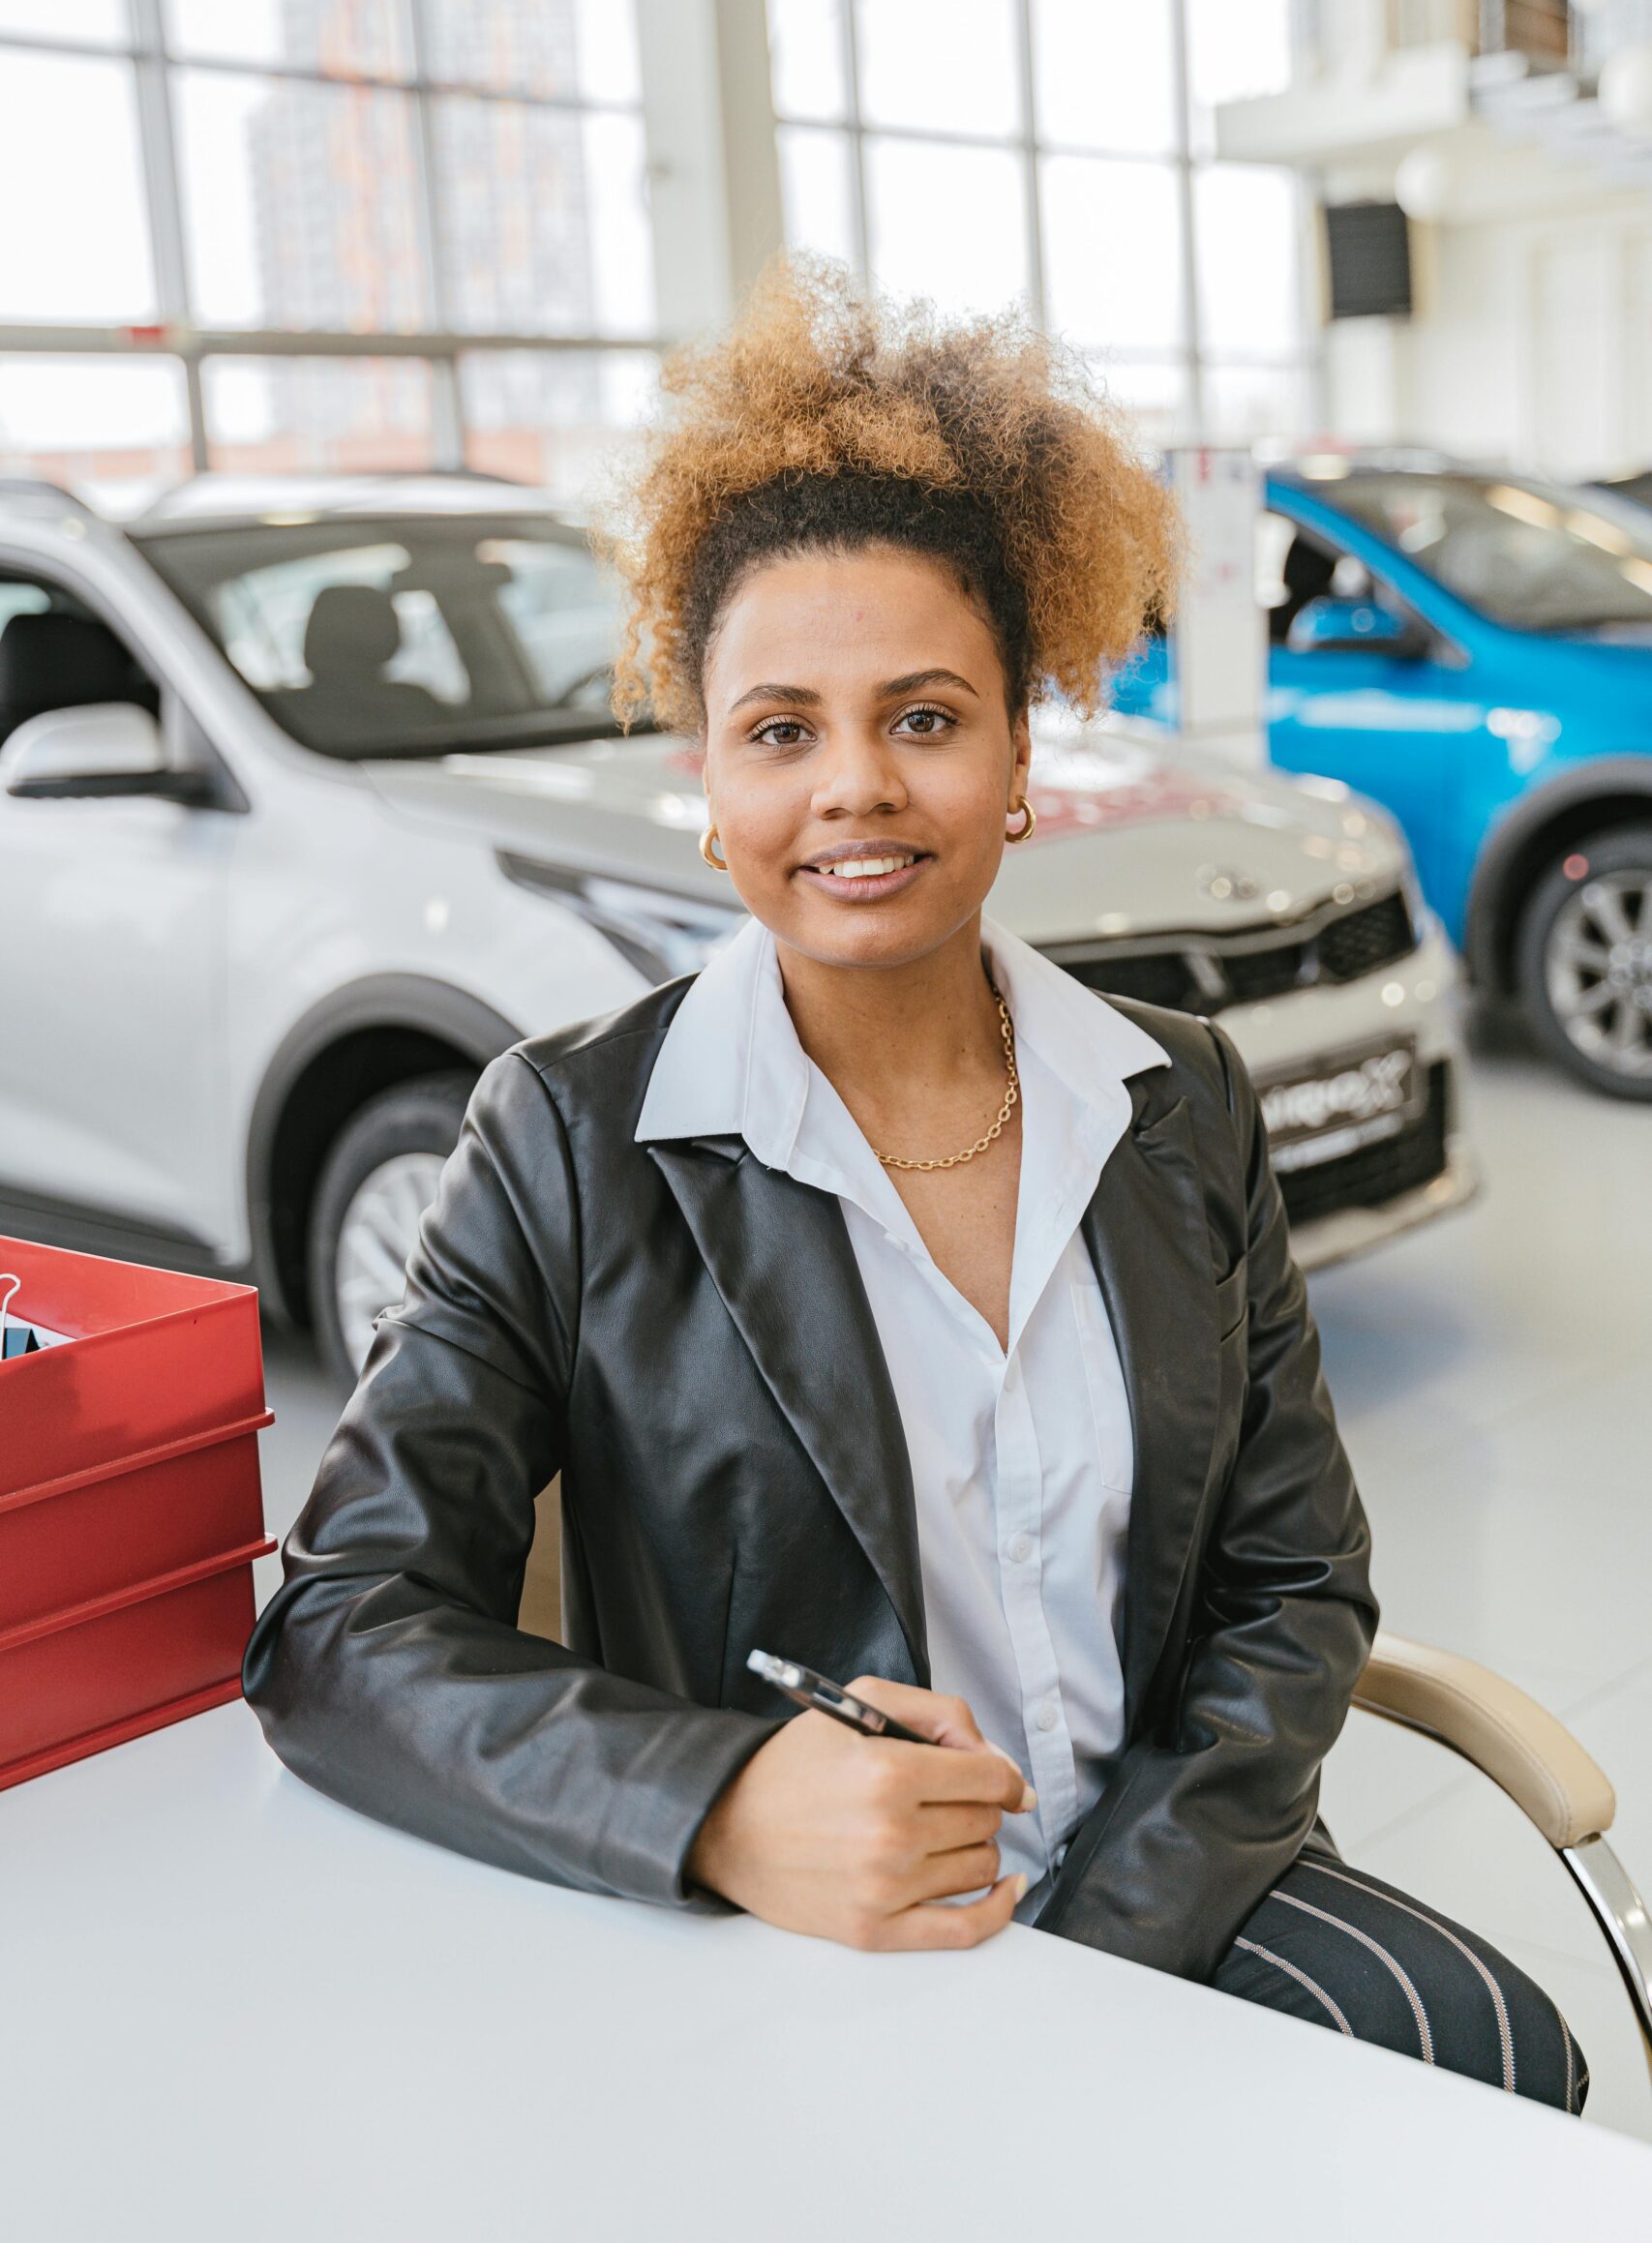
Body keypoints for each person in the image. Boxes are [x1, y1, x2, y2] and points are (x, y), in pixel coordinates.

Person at [243, 257, 1583, 2112]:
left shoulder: (1174, 1099)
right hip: (804, 1936)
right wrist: (718, 1808)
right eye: (783, 729)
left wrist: (1112, 1943)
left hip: (1170, 1894)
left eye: (928, 717)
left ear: (1024, 755)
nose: (855, 787)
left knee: (1503, 2075)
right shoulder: (562, 1140)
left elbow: (1294, 1579)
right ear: (706, 780)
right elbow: (337, 1628)